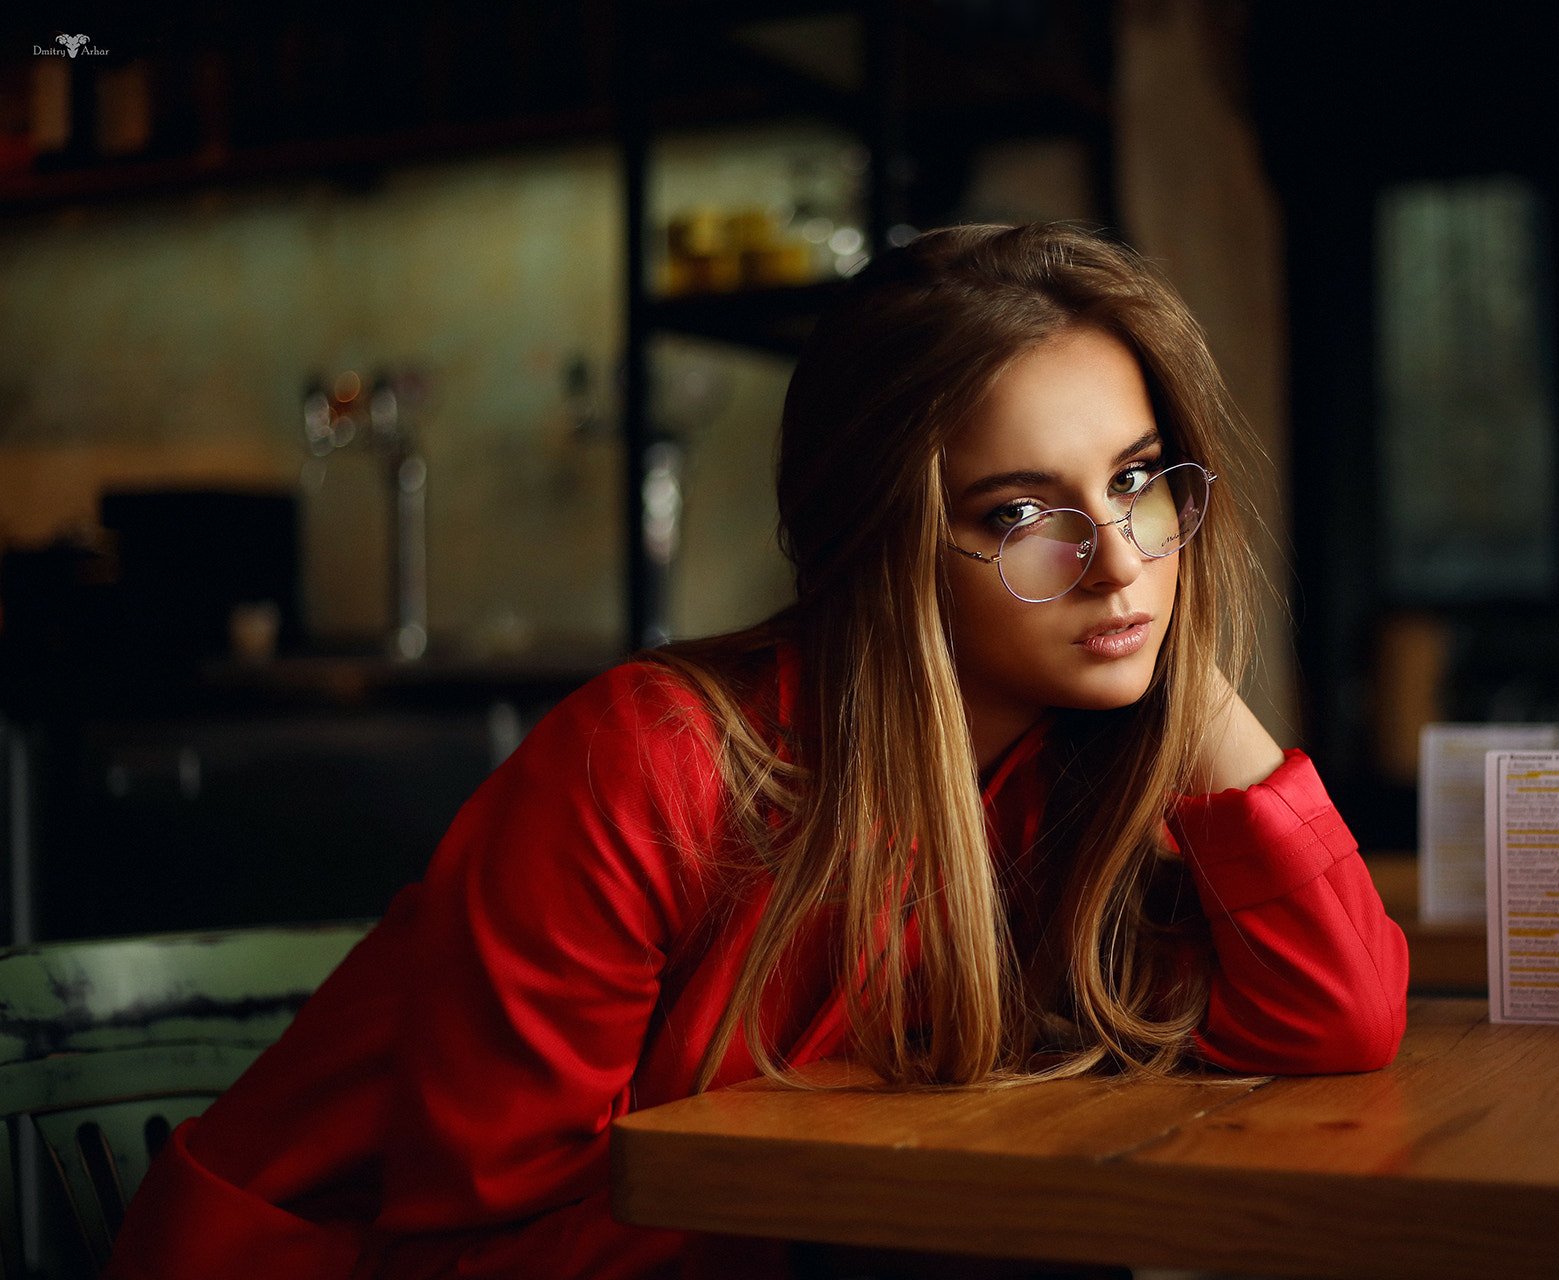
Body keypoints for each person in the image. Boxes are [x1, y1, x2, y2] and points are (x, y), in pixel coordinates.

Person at [107, 223, 1408, 1279]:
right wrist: (854, 1220)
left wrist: (1186, 676)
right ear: (882, 545)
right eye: (1021, 513)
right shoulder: (649, 764)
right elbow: (480, 1252)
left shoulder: (1081, 759)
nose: (1119, 562)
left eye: (1137, 480)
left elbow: (1335, 1017)